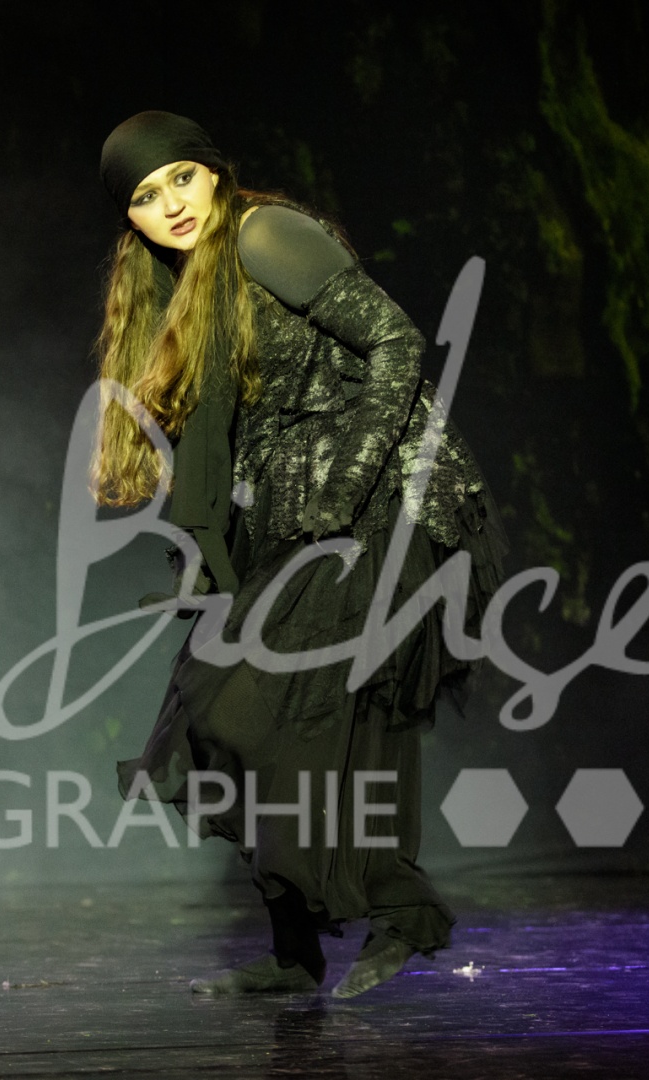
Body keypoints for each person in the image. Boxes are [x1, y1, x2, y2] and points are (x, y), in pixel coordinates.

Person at [93, 111, 508, 999]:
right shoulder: (186, 288)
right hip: (293, 513)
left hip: (381, 499)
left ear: (213, 172)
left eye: (180, 178)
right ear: (129, 219)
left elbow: (396, 343)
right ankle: (295, 949)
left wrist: (343, 492)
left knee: (291, 714)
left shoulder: (263, 234)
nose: (170, 204)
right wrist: (213, 548)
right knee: (223, 718)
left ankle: (400, 911)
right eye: (145, 196)